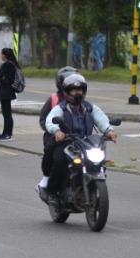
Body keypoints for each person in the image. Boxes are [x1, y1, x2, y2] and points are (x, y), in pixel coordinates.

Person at [43, 74, 119, 204]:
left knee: (99, 160)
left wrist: (109, 131)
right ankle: (52, 192)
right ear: (67, 92)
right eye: (74, 90)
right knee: (60, 161)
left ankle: (92, 187)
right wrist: (57, 131)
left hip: (86, 143)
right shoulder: (61, 108)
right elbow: (50, 121)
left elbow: (102, 120)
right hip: (67, 142)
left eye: (80, 90)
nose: (77, 93)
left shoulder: (90, 108)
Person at [37, 66, 78, 194]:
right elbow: (43, 119)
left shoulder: (80, 100)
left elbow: (92, 115)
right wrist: (55, 131)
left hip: (75, 136)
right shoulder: (54, 99)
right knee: (55, 155)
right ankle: (47, 178)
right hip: (56, 135)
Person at [0, 48, 20, 141]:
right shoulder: (13, 64)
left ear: (5, 55)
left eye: (1, 54)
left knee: (6, 114)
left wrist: (1, 77)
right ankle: (5, 133)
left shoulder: (6, 64)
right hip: (9, 91)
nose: (1, 56)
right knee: (7, 114)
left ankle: (8, 134)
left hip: (5, 92)